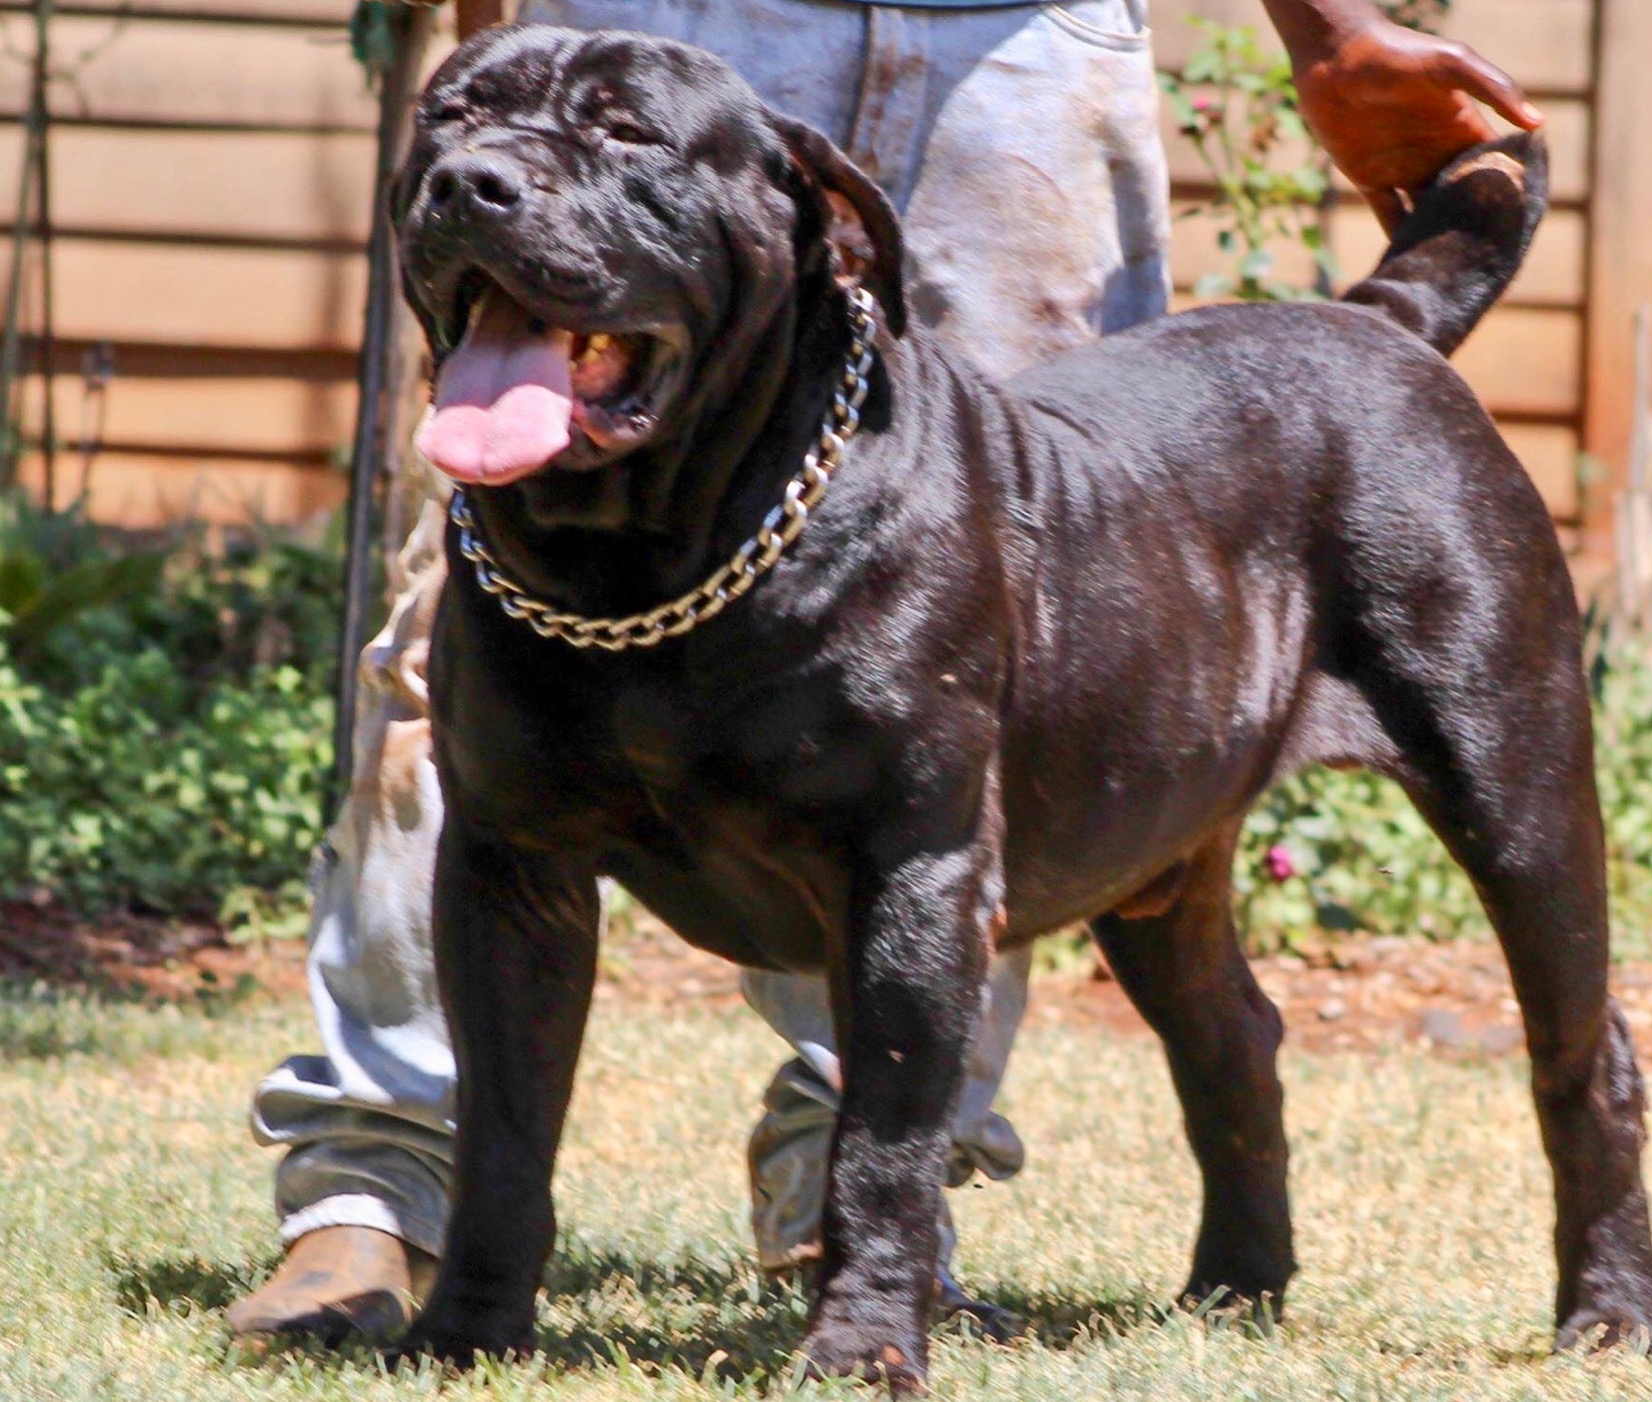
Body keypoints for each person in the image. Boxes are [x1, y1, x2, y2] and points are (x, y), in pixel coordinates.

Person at [226, 0, 1539, 1343]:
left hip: (1018, 52)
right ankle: (377, 1181)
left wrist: (1325, 24)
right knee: (470, 691)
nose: (471, 167)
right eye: (453, 141)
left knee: (1007, 656)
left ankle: (859, 1224)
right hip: (658, 13)